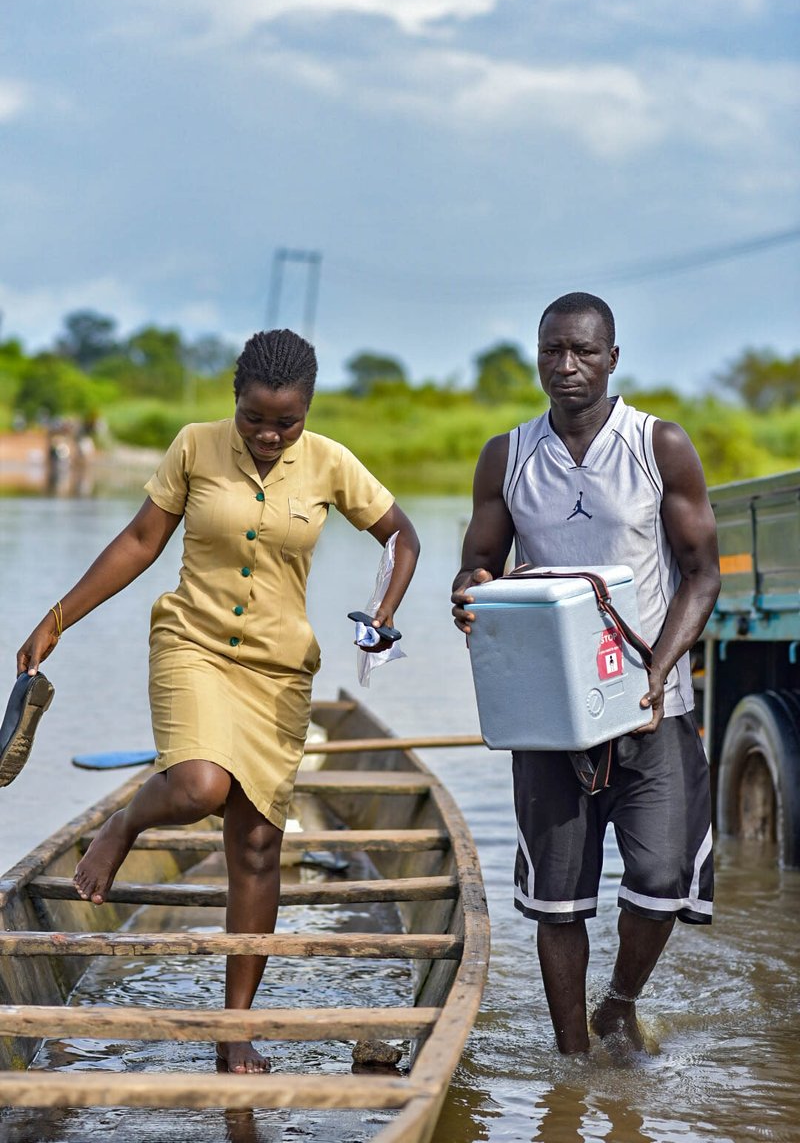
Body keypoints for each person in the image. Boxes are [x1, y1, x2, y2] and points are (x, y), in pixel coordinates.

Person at [17, 328, 420, 1075]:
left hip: (279, 669)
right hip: (192, 645)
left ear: (307, 409)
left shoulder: (332, 463)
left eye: (286, 422)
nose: (269, 435)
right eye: (256, 419)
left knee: (259, 846)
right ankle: (128, 817)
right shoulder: (194, 447)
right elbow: (141, 540)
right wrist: (58, 618)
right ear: (235, 402)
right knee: (202, 785)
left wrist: (385, 611)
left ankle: (235, 1028)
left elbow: (401, 537)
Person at [451, 292, 720, 1056]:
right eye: (551, 352)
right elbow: (479, 563)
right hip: (551, 711)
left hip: (650, 708)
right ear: (537, 356)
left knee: (663, 877)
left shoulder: (657, 445)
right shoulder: (507, 455)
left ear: (612, 358)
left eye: (583, 352)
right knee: (557, 903)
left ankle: (620, 1005)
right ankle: (572, 1063)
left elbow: (703, 574)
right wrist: (469, 593)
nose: (566, 367)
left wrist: (657, 670)